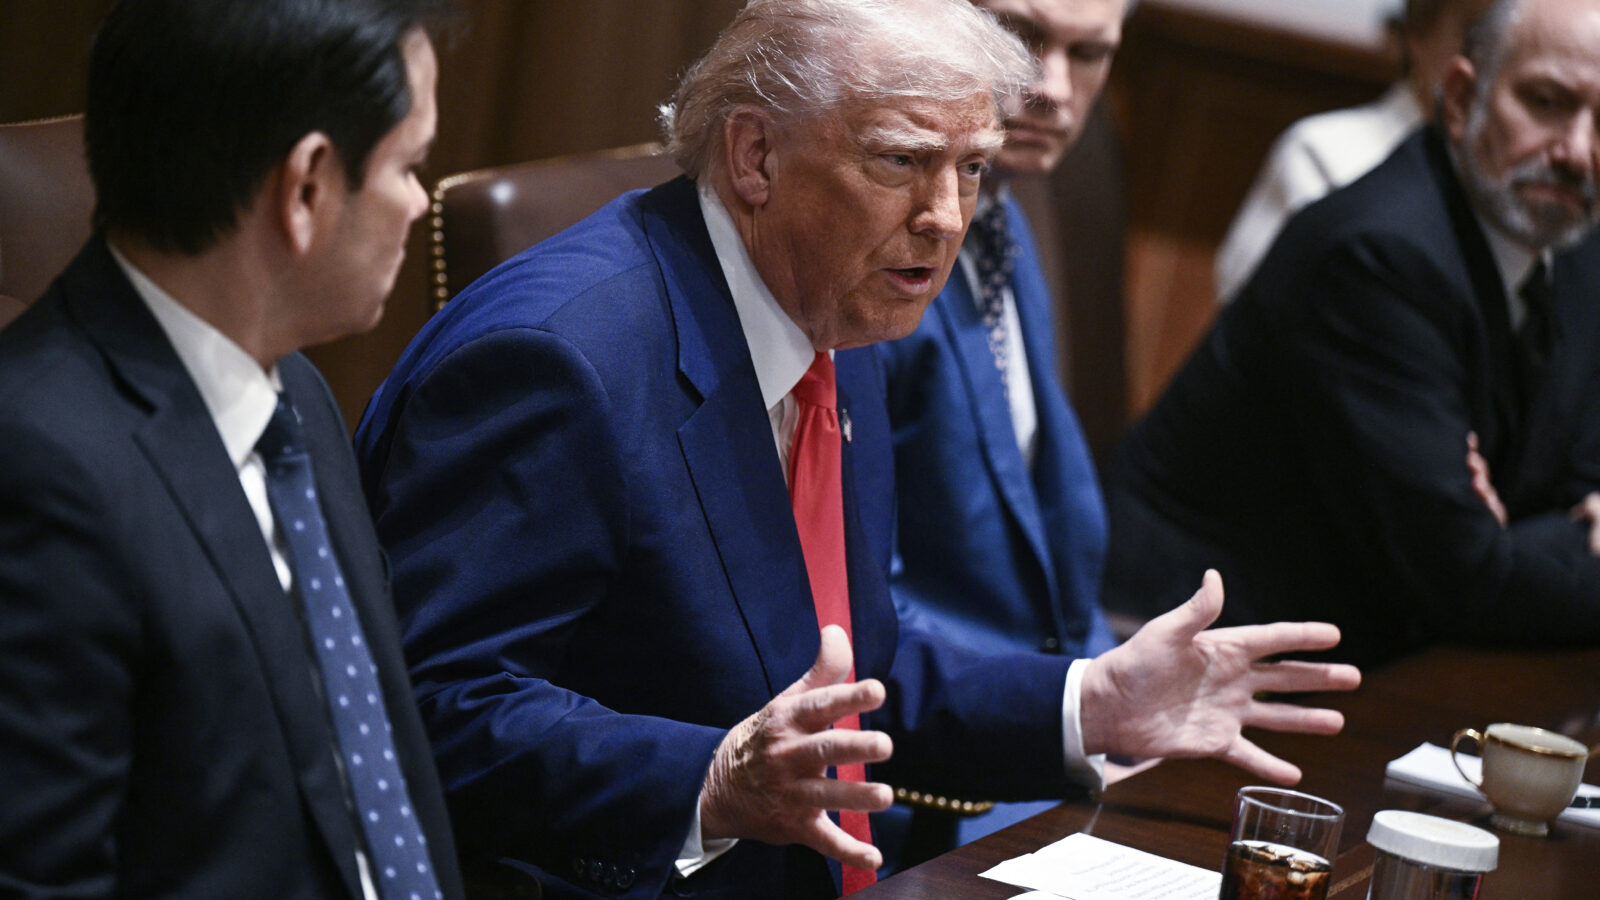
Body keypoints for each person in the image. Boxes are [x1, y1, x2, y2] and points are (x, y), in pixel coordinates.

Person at [355, 1, 1360, 897]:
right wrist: (706, 780)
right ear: (753, 157)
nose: (947, 217)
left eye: (969, 168)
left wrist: (1087, 703)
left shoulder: (836, 313)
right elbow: (427, 711)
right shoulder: (558, 361)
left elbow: (848, 664)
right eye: (900, 162)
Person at [0, 2, 465, 898]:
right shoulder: (39, 471)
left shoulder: (297, 398)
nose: (418, 201)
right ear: (306, 189)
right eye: (409, 166)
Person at [1103, 0, 1600, 667]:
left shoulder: (1573, 246)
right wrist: (1527, 537)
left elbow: (1576, 474)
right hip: (1185, 655)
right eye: (1545, 101)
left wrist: (1514, 533)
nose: (1576, 151)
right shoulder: (1378, 255)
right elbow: (1465, 576)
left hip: (1369, 655)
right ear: (1459, 98)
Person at [875, 0, 1127, 859]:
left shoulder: (1005, 222)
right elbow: (839, 591)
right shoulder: (878, 252)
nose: (1053, 87)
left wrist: (1118, 696)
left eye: (1089, 52)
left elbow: (1053, 568)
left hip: (1043, 742)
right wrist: (1073, 705)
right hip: (920, 787)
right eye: (1023, 38)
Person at [1214, 0, 1496, 303]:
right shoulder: (1324, 155)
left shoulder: (1528, 184)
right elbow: (1254, 317)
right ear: (1419, 34)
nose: (1501, 62)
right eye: (1482, 36)